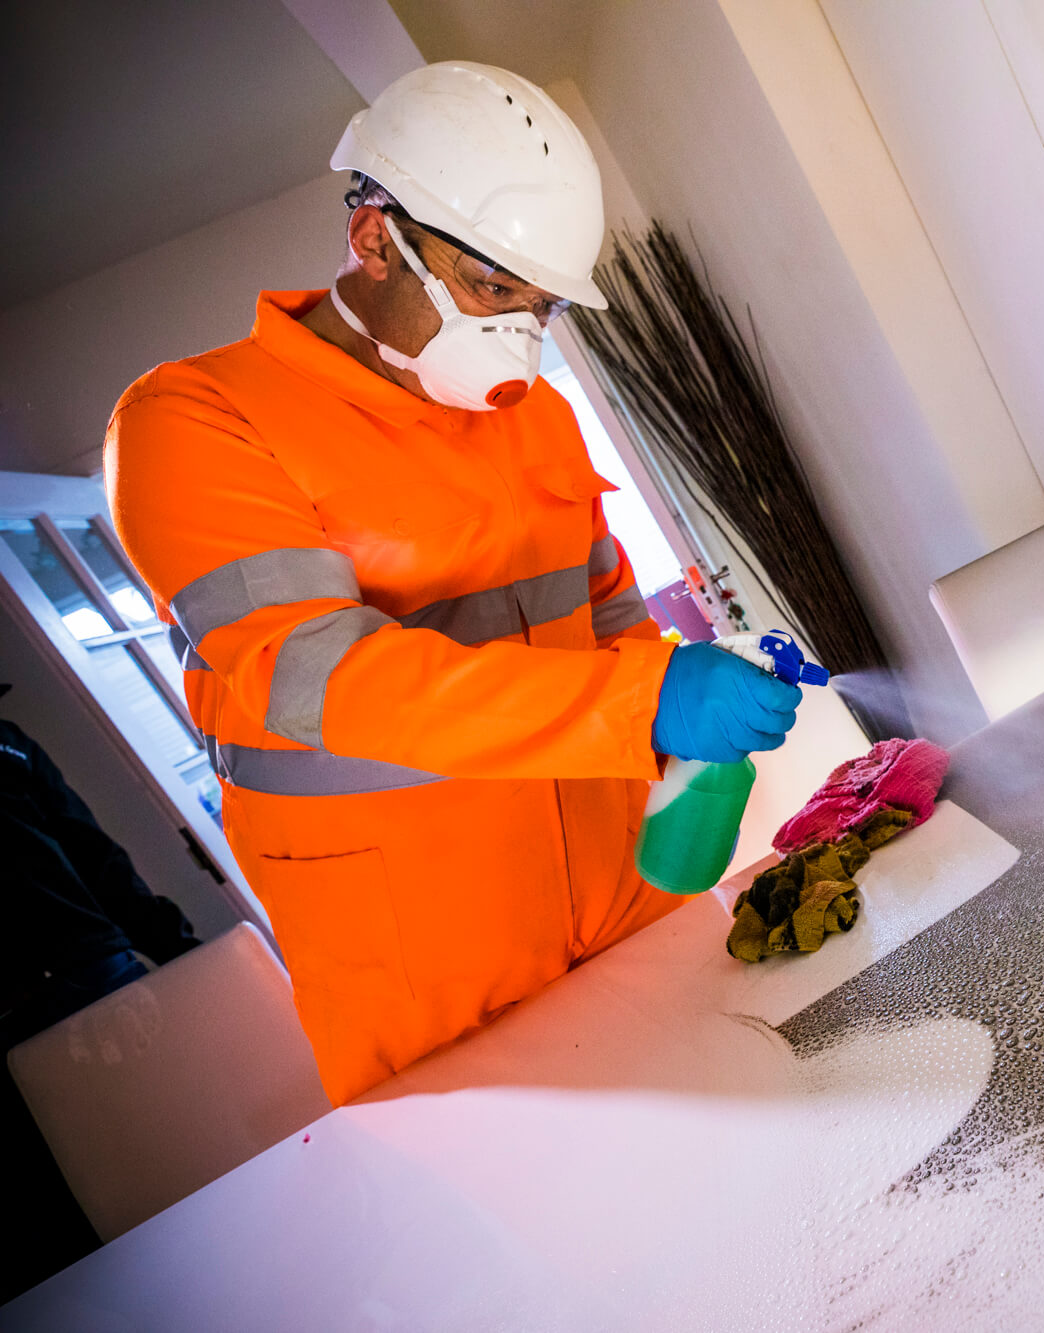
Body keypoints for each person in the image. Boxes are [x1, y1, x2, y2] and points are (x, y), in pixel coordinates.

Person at [103, 62, 800, 1107]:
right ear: (375, 236)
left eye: (543, 308)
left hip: (629, 906)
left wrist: (682, 687)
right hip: (433, 975)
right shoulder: (197, 420)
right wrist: (640, 702)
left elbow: (609, 617)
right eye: (490, 291)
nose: (515, 337)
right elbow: (313, 679)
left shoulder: (536, 415)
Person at [1, 699, 201, 1299]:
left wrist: (185, 960)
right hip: (41, 1008)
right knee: (67, 1236)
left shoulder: (8, 740)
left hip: (92, 981)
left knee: (176, 1166)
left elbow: (96, 857)